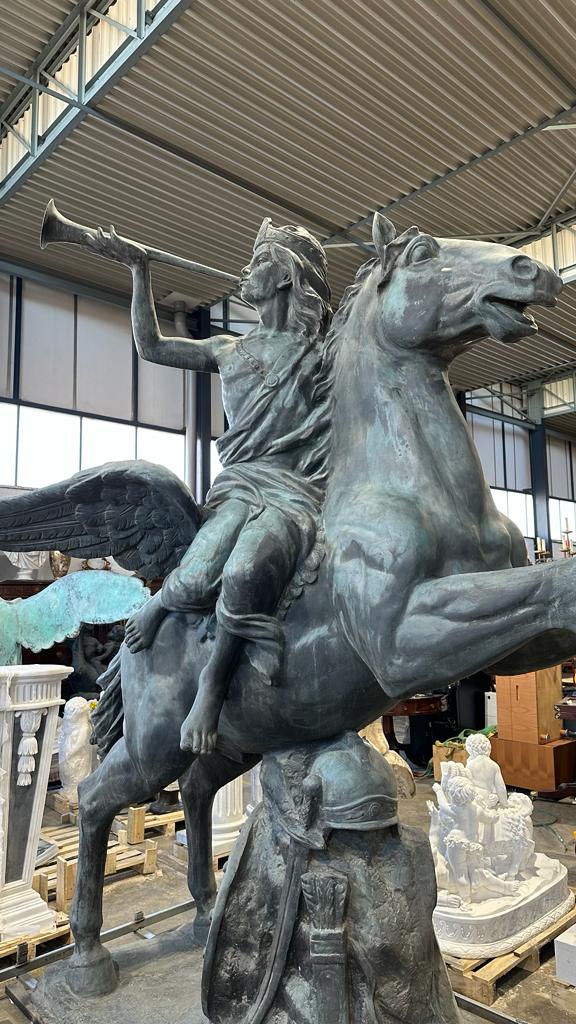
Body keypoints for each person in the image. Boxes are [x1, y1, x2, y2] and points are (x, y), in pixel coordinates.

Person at [93, 217, 332, 755]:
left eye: (260, 259)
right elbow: (150, 346)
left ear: (286, 277)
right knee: (199, 571)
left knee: (245, 568)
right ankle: (160, 605)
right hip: (239, 484)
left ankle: (212, 686)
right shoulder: (228, 349)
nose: (247, 269)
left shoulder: (319, 355)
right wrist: (139, 270)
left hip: (292, 491)